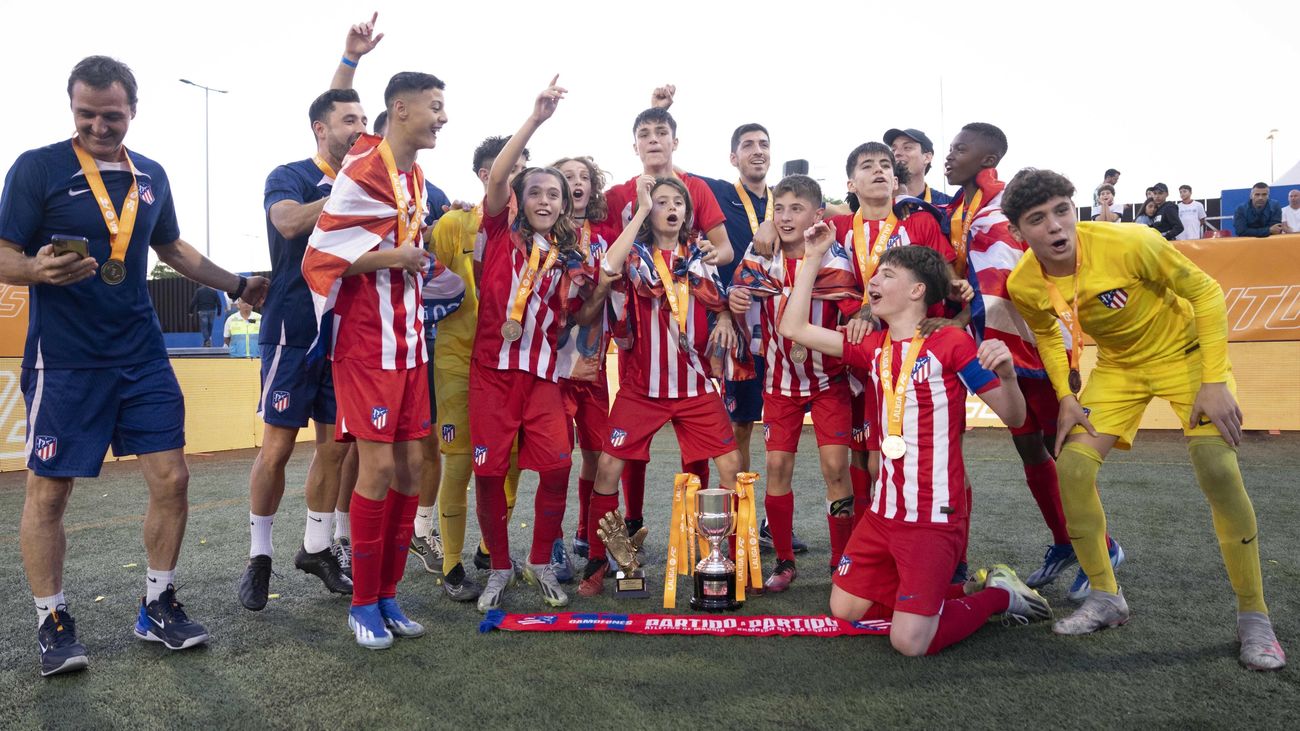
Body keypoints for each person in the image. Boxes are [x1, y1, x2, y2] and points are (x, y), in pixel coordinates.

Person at [0, 55, 269, 676]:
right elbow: (5, 253)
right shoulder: (38, 168)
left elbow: (170, 246)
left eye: (111, 115)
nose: (99, 125)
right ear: (72, 109)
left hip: (141, 354)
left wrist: (238, 283)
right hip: (65, 360)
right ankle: (52, 618)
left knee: (172, 479)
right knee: (50, 491)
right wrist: (38, 269)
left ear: (133, 111)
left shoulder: (151, 174)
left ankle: (157, 604)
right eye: (86, 113)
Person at [1004, 168, 1286, 671]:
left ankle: (1254, 617)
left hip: (1189, 358)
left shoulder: (1130, 240)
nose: (1054, 226)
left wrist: (1215, 379)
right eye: (1037, 219)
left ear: (1076, 209)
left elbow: (1206, 293)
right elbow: (1047, 333)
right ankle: (1107, 598)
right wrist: (1067, 394)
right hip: (1119, 369)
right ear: (1018, 231)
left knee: (1218, 468)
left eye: (1062, 211)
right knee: (1071, 467)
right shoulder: (1024, 280)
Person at [779, 230, 1049, 657]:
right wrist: (812, 256)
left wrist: (1010, 376)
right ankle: (966, 586)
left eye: (887, 275)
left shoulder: (951, 343)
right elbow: (792, 327)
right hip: (884, 514)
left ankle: (1004, 597)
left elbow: (1014, 416)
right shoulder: (873, 347)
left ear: (917, 290)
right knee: (844, 608)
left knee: (909, 642)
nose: (873, 282)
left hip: (932, 517)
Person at [303, 71, 463, 649]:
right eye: (435, 107)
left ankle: (388, 593)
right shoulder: (365, 167)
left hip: (409, 341)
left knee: (412, 469)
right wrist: (393, 256)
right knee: (375, 470)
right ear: (400, 109)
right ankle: (362, 603)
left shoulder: (414, 176)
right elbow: (320, 258)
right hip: (367, 344)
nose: (443, 117)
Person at [238, 17, 386, 613]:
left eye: (364, 122)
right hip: (292, 330)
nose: (360, 129)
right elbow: (289, 224)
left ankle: (317, 546)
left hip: (348, 333)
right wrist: (347, 198)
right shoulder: (292, 176)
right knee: (276, 449)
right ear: (320, 130)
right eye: (349, 122)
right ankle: (259, 555)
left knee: (337, 449)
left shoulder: (372, 179)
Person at [943, 123, 1107, 596]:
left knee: (1066, 452)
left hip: (1037, 345)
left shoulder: (1004, 201)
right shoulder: (962, 207)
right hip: (1002, 350)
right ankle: (1063, 541)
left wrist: (962, 324)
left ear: (988, 156)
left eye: (960, 149)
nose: (952, 157)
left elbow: (1013, 276)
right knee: (1029, 448)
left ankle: (1102, 549)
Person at [574, 175, 740, 597]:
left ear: (687, 212)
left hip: (696, 387)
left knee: (733, 471)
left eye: (677, 203)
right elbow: (607, 268)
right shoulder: (636, 257)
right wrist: (642, 209)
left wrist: (722, 316)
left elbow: (722, 302)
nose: (670, 207)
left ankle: (730, 560)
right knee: (608, 469)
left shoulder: (701, 255)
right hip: (642, 388)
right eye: (660, 201)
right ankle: (598, 561)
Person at [469, 78, 584, 613]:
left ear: (563, 207)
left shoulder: (568, 254)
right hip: (491, 373)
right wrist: (535, 120)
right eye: (534, 191)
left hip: (542, 376)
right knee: (490, 472)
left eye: (553, 194)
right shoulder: (497, 232)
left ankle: (540, 558)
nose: (543, 199)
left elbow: (575, 316)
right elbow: (498, 176)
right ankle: (497, 565)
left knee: (558, 466)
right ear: (518, 199)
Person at [605, 86, 734, 545]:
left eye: (662, 132)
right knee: (621, 456)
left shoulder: (696, 188)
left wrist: (720, 310)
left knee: (708, 455)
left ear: (675, 141)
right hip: (641, 358)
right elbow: (603, 258)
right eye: (645, 133)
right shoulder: (618, 194)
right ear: (634, 144)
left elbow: (724, 249)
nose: (654, 140)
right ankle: (621, 539)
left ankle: (709, 545)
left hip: (693, 360)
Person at [728, 174, 854, 592]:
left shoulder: (834, 259)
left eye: (796, 209)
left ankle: (841, 562)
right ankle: (783, 561)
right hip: (780, 383)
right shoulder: (761, 254)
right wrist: (737, 299)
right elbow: (737, 289)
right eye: (778, 209)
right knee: (778, 467)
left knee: (836, 468)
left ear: (817, 215)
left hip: (828, 382)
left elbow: (853, 305)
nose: (785, 217)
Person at [427, 135, 528, 601]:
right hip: (458, 360)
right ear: (486, 175)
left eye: (523, 167)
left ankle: (491, 549)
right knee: (461, 463)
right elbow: (426, 284)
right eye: (508, 169)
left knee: (510, 461)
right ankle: (450, 564)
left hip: (516, 363)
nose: (517, 176)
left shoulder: (539, 228)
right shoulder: (452, 224)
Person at [552, 153, 617, 577]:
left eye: (584, 177)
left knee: (597, 454)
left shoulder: (607, 235)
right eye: (567, 177)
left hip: (592, 367)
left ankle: (586, 534)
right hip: (554, 370)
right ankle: (552, 543)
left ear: (592, 188)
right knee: (557, 458)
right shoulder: (543, 235)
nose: (577, 182)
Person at [885, 128, 953, 205]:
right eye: (893, 150)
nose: (897, 153)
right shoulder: (876, 203)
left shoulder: (948, 205)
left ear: (927, 157)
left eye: (907, 148)